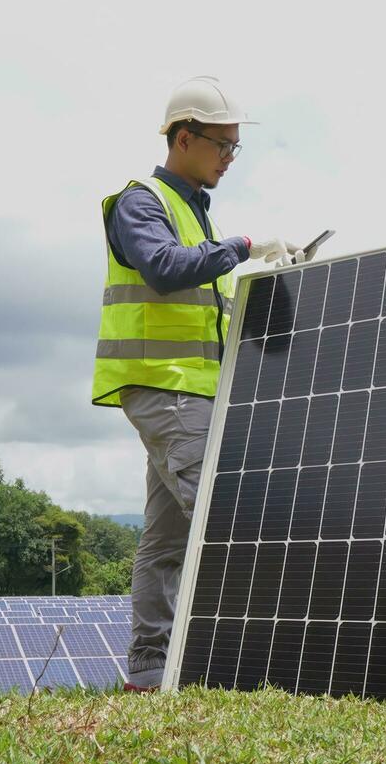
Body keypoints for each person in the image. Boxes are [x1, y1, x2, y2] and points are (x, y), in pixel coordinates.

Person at [91, 75, 301, 691]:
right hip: (165, 387)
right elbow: (161, 270)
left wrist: (264, 275)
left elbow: (205, 306)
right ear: (184, 138)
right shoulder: (142, 202)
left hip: (190, 389)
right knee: (220, 523)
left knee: (166, 539)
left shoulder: (194, 215)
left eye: (236, 148)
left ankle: (148, 671)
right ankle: (245, 668)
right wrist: (241, 246)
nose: (230, 159)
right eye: (222, 146)